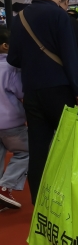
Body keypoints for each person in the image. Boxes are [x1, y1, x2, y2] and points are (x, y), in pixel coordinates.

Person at [8, 0, 78, 204]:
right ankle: (69, 198)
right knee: (69, 145)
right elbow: (70, 56)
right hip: (60, 90)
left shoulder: (19, 18)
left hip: (32, 91)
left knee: (38, 148)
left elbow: (13, 58)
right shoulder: (59, 15)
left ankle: (39, 201)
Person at [0, 27, 28, 209]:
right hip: (10, 122)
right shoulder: (10, 67)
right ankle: (5, 186)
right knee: (27, 151)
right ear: (5, 45)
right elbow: (20, 91)